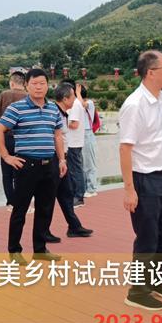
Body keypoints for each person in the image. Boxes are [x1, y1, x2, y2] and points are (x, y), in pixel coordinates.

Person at [119, 50, 162, 311]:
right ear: (151, 73)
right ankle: (137, 292)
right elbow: (125, 149)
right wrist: (129, 190)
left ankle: (155, 280)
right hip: (144, 180)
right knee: (147, 238)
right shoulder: (135, 105)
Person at [0, 68, 67, 262]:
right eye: (34, 83)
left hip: (49, 165)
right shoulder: (17, 108)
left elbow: (58, 136)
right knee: (20, 209)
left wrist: (62, 159)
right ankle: (14, 250)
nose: (39, 87)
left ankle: (40, 249)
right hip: (26, 166)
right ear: (26, 85)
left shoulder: (53, 109)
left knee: (45, 209)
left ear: (48, 86)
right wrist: (6, 156)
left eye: (42, 83)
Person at [48, 82, 93, 240]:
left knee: (66, 193)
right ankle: (43, 232)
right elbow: (55, 137)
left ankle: (74, 226)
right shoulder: (53, 112)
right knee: (48, 197)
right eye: (74, 96)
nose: (76, 100)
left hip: (62, 158)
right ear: (66, 99)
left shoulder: (63, 112)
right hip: (53, 159)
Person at [0, 71, 27, 209]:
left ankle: (11, 202)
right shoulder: (28, 96)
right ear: (24, 83)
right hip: (23, 139)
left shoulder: (4, 94)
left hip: (6, 137)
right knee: (21, 171)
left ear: (12, 83)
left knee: (6, 172)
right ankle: (22, 201)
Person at [61, 78, 86, 207]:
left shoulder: (75, 104)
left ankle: (79, 196)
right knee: (73, 170)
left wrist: (61, 123)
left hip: (73, 142)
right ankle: (75, 194)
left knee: (76, 170)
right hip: (73, 142)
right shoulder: (75, 103)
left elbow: (74, 124)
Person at [81, 85, 99, 197]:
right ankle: (84, 188)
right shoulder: (76, 105)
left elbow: (83, 104)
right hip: (79, 134)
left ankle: (92, 189)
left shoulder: (89, 103)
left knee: (89, 163)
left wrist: (77, 92)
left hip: (87, 133)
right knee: (82, 164)